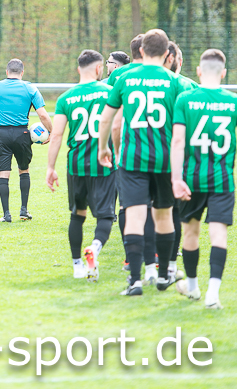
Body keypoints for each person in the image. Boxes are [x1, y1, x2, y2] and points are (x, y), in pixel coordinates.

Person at [97, 29, 187, 296]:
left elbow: (108, 119)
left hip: (132, 159)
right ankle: (164, 275)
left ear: (142, 51)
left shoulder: (124, 78)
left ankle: (135, 281)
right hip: (164, 160)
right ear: (167, 54)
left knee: (135, 217)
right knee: (164, 216)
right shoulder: (176, 82)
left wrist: (104, 148)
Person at [170, 49, 237, 309]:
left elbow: (178, 141)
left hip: (191, 179)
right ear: (223, 73)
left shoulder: (185, 99)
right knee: (218, 235)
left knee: (190, 232)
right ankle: (213, 294)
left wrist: (176, 178)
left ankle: (192, 287)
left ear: (199, 71)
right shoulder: (236, 102)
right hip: (222, 180)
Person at [47, 50, 116, 282]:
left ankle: (77, 265)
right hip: (104, 163)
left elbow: (56, 136)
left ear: (79, 69)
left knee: (77, 215)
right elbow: (118, 126)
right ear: (99, 69)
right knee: (105, 216)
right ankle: (94, 248)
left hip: (76, 165)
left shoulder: (65, 98)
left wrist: (50, 167)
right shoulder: (110, 93)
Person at [0, 59, 53, 223]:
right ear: (22, 72)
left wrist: (1, 116)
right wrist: (51, 131)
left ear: (7, 72)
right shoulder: (30, 88)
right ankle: (23, 210)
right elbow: (43, 115)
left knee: (3, 173)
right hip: (22, 133)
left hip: (1, 134)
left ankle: (6, 214)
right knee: (24, 169)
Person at [163, 40, 198, 281]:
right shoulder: (190, 86)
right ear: (179, 61)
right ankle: (171, 260)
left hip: (151, 153)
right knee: (175, 209)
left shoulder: (147, 84)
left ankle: (151, 260)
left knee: (154, 208)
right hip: (182, 156)